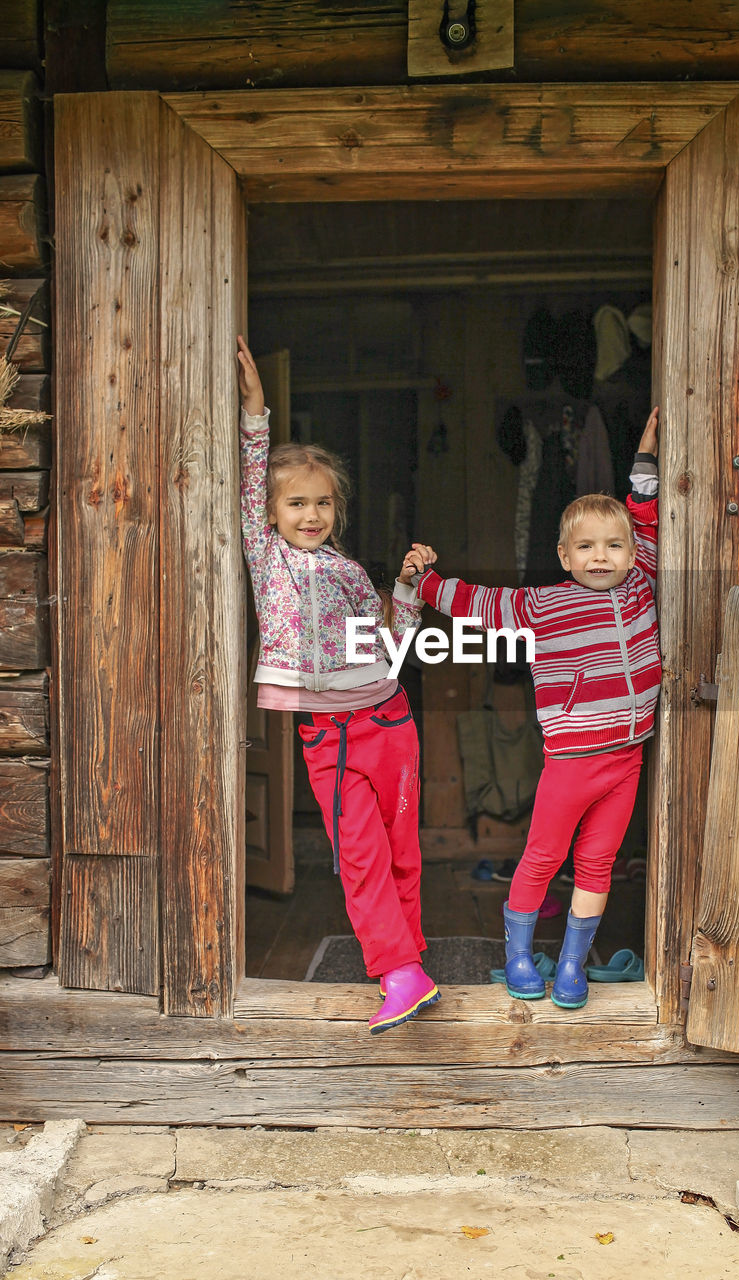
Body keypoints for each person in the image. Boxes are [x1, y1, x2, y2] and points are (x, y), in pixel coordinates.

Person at [400, 407, 661, 1009]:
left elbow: (645, 514)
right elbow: (482, 604)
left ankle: (571, 966)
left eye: (614, 545)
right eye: (588, 547)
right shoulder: (545, 605)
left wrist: (644, 457)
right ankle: (518, 955)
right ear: (565, 557)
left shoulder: (641, 581)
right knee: (543, 857)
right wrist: (425, 580)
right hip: (571, 762)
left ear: (630, 553)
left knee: (597, 864)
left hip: (626, 761)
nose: (603, 556)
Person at [236, 335, 440, 1034]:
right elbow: (250, 473)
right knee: (359, 857)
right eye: (296, 504)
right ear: (269, 513)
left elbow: (390, 644)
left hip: (389, 720)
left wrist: (407, 589)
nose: (311, 515)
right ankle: (398, 971)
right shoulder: (267, 559)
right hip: (332, 737)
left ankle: (409, 968)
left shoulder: (350, 573)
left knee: (401, 852)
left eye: (322, 503)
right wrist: (255, 413)